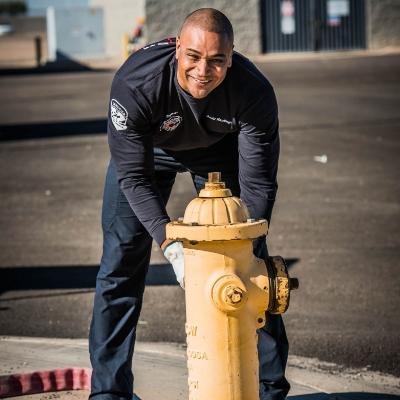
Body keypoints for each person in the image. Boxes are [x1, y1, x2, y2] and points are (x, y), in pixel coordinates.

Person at [89, 8, 290, 400]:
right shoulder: (136, 83)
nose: (204, 70)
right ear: (177, 48)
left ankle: (269, 389)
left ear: (232, 58)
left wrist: (241, 246)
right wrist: (172, 244)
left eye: (217, 60)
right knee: (120, 264)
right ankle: (109, 392)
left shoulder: (253, 92)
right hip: (149, 154)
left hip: (216, 150)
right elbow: (132, 176)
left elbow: (259, 182)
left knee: (250, 267)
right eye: (194, 57)